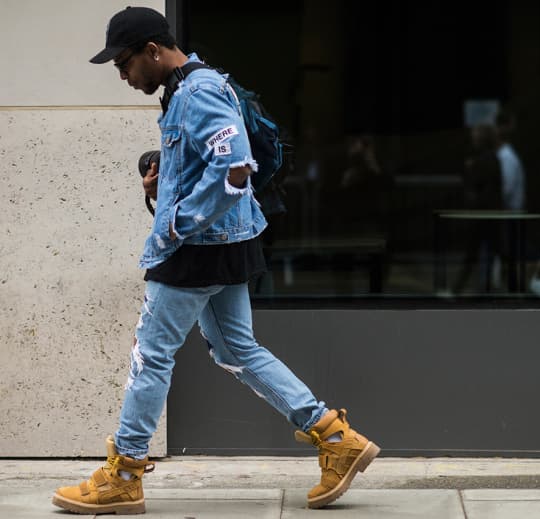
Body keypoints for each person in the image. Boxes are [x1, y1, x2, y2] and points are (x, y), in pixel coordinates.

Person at [52, 7, 379, 515]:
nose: (122, 75)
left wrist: (180, 221)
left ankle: (123, 475)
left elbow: (235, 169)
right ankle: (336, 439)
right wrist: (167, 181)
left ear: (153, 51)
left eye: (124, 63)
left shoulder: (199, 91)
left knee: (151, 356)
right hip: (226, 244)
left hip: (196, 251)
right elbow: (213, 162)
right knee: (237, 349)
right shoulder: (191, 88)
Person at [452, 123, 503, 293]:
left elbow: (483, 187)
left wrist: (471, 170)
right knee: (490, 250)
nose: (473, 136)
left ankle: (459, 290)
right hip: (486, 213)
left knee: (478, 252)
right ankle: (462, 289)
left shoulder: (485, 159)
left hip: (484, 213)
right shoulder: (487, 157)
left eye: (476, 133)